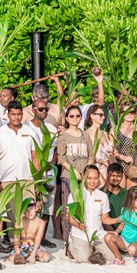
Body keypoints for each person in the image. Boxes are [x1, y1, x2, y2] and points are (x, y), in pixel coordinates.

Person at [0, 100, 38, 224]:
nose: (16, 117)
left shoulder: (30, 131)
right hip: (7, 179)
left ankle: (26, 240)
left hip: (28, 179)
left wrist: (37, 179)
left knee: (29, 211)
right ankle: (14, 241)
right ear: (8, 115)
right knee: (12, 213)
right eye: (13, 114)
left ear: (22, 114)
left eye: (19, 114)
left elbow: (35, 157)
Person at [67, 165, 119, 263]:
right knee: (84, 260)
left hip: (97, 235)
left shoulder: (102, 196)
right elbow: (68, 217)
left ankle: (94, 250)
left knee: (112, 258)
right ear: (84, 177)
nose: (92, 181)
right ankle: (70, 246)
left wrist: (117, 219)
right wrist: (78, 225)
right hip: (80, 235)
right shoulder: (75, 194)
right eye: (89, 178)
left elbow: (105, 219)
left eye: (95, 178)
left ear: (99, 177)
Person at [57, 105, 93, 244]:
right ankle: (68, 239)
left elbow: (91, 154)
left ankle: (83, 236)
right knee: (68, 207)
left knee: (84, 206)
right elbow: (62, 159)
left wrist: (87, 171)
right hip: (69, 176)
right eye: (71, 116)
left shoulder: (86, 135)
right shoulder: (63, 136)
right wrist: (74, 173)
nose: (75, 118)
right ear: (67, 118)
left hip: (85, 176)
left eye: (78, 116)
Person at [25, 98, 58, 247]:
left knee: (47, 207)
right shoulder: (26, 128)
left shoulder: (51, 128)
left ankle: (42, 237)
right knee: (32, 205)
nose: (44, 112)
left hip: (49, 172)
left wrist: (51, 164)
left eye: (46, 109)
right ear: (33, 110)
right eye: (40, 109)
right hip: (32, 173)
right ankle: (28, 236)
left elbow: (55, 150)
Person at [104, 186, 137, 265]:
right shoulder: (125, 210)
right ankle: (119, 258)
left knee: (131, 249)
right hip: (124, 240)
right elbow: (122, 224)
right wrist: (117, 232)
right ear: (131, 201)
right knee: (108, 237)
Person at [113, 105, 137, 188]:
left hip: (134, 165)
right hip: (119, 165)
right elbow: (112, 151)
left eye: (132, 112)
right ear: (121, 114)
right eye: (126, 112)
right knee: (120, 193)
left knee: (132, 194)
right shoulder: (115, 130)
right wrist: (123, 157)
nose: (129, 114)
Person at [84, 104, 113, 180]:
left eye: (104, 115)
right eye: (100, 115)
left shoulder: (105, 133)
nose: (103, 117)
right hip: (95, 170)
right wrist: (100, 161)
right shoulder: (86, 133)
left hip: (108, 170)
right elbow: (85, 155)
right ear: (92, 116)